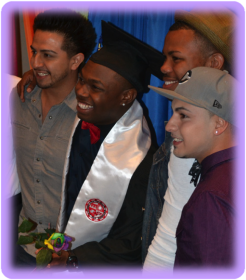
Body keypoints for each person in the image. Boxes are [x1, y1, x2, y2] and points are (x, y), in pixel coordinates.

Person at [43, 20, 165, 269]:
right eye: (82, 80)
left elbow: (130, 244)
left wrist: (75, 260)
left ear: (126, 97)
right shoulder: (80, 123)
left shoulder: (141, 162)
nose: (81, 92)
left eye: (95, 87)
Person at [142, 8, 236, 270]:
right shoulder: (197, 139)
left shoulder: (202, 146)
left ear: (214, 63)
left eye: (176, 58)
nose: (163, 67)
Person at [10, 8, 97, 266]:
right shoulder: (18, 99)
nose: (35, 62)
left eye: (48, 55)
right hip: (21, 247)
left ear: (75, 60)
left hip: (72, 256)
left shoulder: (92, 115)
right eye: (34, 51)